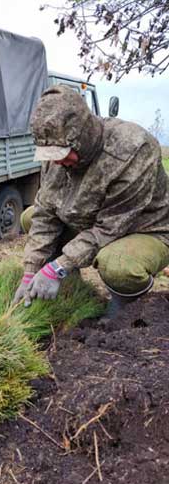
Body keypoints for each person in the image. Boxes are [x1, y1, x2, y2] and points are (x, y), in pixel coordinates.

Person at [13, 85, 169, 317]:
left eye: (63, 154)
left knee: (116, 265)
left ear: (82, 137)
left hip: (143, 229)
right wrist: (31, 270)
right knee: (31, 216)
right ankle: (74, 289)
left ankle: (126, 307)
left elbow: (110, 227)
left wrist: (59, 267)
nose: (57, 162)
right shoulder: (56, 151)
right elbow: (46, 212)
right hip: (94, 221)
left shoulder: (132, 149)